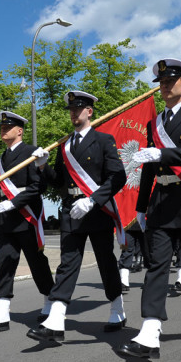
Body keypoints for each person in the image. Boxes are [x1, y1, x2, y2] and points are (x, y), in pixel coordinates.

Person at [117, 58, 181, 359]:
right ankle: (150, 331)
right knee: (156, 266)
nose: (164, 87)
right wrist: (140, 206)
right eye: (161, 83)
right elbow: (149, 165)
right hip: (161, 204)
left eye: (170, 81)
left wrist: (161, 151)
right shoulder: (154, 124)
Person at [28, 90, 127, 342]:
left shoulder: (104, 140)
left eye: (78, 109)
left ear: (89, 112)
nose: (73, 113)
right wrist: (43, 166)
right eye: (71, 110)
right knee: (68, 263)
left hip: (96, 210)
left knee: (106, 261)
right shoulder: (65, 145)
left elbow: (118, 177)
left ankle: (117, 308)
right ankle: (57, 318)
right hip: (70, 210)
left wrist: (92, 200)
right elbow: (59, 182)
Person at [0, 111, 55, 333]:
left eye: (7, 127)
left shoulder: (31, 153)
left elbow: (39, 187)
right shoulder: (2, 158)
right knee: (5, 263)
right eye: (1, 127)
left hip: (26, 215)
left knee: (36, 262)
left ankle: (50, 301)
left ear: (19, 131)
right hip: (6, 219)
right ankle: (1, 312)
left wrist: (14, 203)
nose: (3, 129)